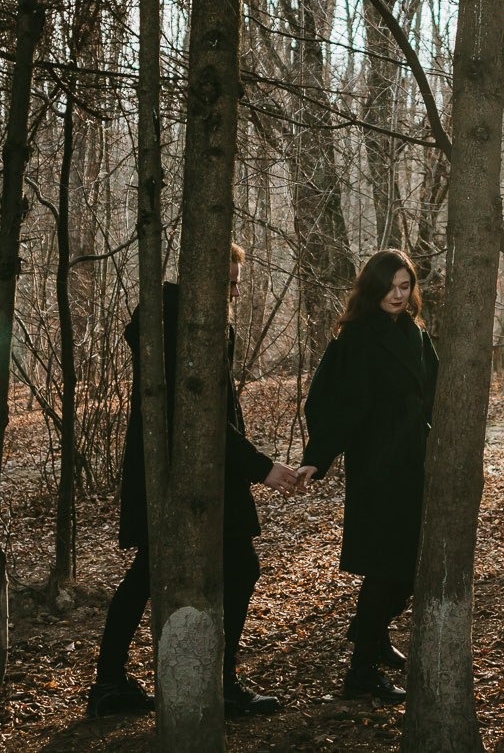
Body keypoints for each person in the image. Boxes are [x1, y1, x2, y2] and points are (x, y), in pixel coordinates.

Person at [87, 243, 308, 718]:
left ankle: (113, 684)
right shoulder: (179, 325)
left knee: (159, 572)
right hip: (178, 470)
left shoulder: (190, 322)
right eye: (225, 282)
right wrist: (263, 468)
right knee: (217, 567)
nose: (231, 291)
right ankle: (214, 685)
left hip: (196, 469)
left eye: (235, 283)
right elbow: (199, 414)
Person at [300, 248, 439, 704]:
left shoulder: (415, 332)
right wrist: (318, 457)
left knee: (411, 566)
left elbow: (435, 388)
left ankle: (371, 634)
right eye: (389, 288)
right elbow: (336, 402)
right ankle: (360, 673)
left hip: (415, 463)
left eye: (405, 287)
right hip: (379, 467)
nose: (398, 296)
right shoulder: (356, 338)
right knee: (387, 566)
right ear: (372, 288)